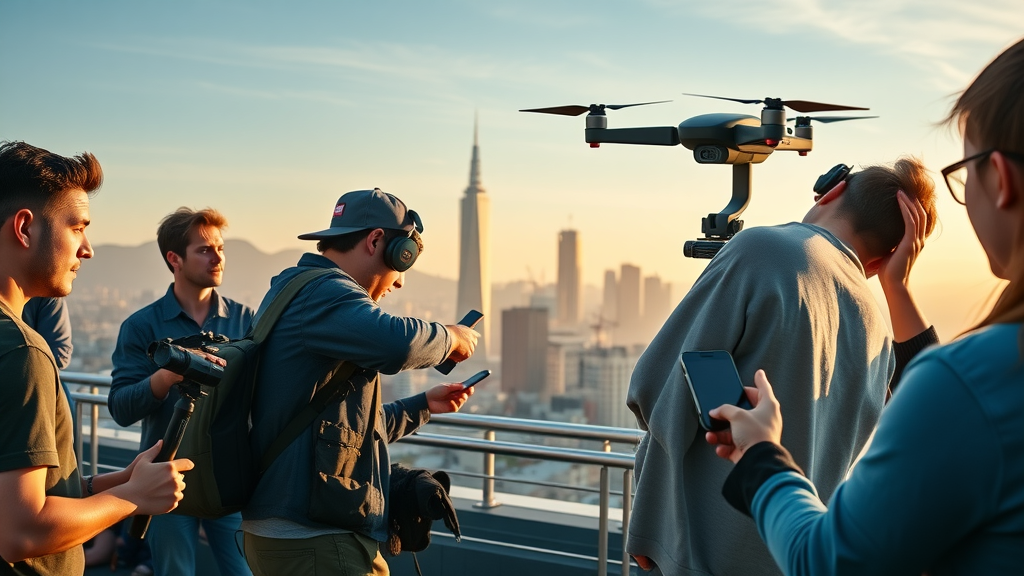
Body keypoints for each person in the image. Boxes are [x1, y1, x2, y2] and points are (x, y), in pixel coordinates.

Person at [706, 37, 1024, 576]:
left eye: (967, 175)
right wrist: (894, 287)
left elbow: (827, 563)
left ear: (1001, 179)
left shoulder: (978, 381)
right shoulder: (973, 380)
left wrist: (761, 453)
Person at [625, 158, 939, 575]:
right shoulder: (881, 333)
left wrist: (650, 528)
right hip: (794, 555)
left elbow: (652, 389)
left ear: (831, 191)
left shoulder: (764, 251)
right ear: (887, 259)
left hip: (697, 553)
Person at [240, 188, 479, 576]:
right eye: (404, 264)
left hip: (300, 533)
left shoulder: (298, 292)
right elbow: (397, 344)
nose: (398, 283)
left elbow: (338, 426)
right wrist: (451, 336)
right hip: (314, 538)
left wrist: (422, 406)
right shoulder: (324, 293)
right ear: (376, 241)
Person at [0, 141, 191, 575]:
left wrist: (120, 481)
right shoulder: (21, 351)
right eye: (77, 227)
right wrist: (133, 497)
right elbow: (20, 532)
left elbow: (23, 491)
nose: (86, 249)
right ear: (25, 228)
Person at [107, 207, 255, 576]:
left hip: (228, 477)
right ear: (174, 259)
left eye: (220, 248)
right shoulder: (141, 326)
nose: (217, 257)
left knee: (245, 570)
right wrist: (166, 376)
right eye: (204, 249)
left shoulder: (246, 320)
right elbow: (121, 408)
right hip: (164, 476)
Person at [22, 297, 76, 423]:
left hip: (38, 392)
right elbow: (60, 355)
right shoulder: (46, 294)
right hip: (40, 392)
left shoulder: (47, 295)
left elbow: (60, 356)